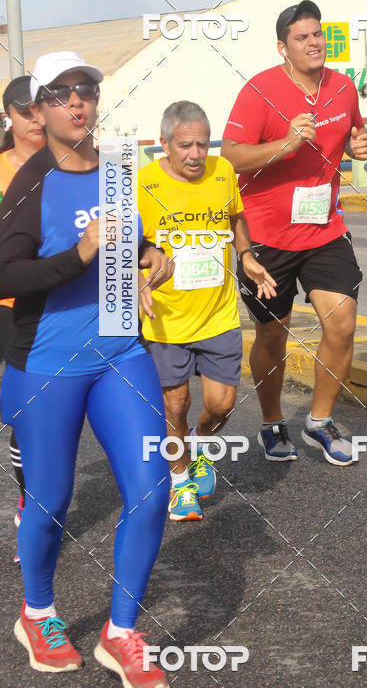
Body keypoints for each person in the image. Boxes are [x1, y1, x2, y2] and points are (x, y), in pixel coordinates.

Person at [0, 51, 173, 687]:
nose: (78, 102)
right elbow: (6, 273)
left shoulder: (121, 170)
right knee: (48, 501)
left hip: (121, 351)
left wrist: (154, 257)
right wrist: (78, 253)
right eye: (62, 93)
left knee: (154, 487)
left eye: (87, 91)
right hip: (48, 361)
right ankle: (37, 612)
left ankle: (121, 631)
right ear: (41, 109)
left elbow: (134, 239)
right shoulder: (31, 181)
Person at [221, 0, 367, 466]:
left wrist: (363, 145)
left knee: (342, 322)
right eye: (302, 37)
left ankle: (320, 422)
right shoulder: (259, 90)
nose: (313, 43)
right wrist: (286, 143)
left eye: (317, 34)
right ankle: (271, 421)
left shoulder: (343, 86)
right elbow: (230, 157)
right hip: (266, 234)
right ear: (283, 47)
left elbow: (356, 135)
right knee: (273, 335)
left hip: (325, 226)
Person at [138, 100, 276, 521]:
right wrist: (137, 273)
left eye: (202, 143)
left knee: (221, 405)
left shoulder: (222, 173)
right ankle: (180, 483)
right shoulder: (142, 183)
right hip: (166, 317)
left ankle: (197, 449)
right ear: (164, 144)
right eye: (185, 145)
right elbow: (124, 242)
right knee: (174, 404)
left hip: (217, 314)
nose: (196, 154)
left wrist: (247, 255)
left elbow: (235, 218)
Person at [0, 75, 46, 560]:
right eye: (26, 111)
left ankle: (36, 497)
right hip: (9, 307)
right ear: (9, 116)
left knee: (43, 410)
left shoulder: (68, 166)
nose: (35, 119)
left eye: (41, 109)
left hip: (60, 303)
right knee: (24, 409)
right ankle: (31, 498)